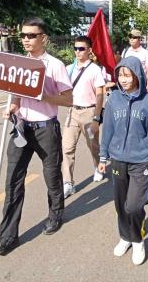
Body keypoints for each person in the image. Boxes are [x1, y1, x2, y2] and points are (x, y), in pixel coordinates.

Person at [0, 17, 73, 255]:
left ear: (43, 37)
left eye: (31, 35)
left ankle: (56, 215)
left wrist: (43, 97)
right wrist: (13, 106)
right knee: (13, 180)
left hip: (46, 128)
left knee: (52, 176)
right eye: (23, 35)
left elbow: (68, 99)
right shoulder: (19, 64)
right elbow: (16, 95)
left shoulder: (55, 65)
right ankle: (7, 237)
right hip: (21, 127)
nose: (26, 39)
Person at [98, 56, 148, 265]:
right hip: (118, 160)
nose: (124, 79)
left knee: (133, 205)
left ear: (137, 75)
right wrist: (103, 157)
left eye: (128, 75)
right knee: (121, 205)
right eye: (120, 75)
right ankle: (125, 237)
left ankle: (138, 240)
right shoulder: (113, 101)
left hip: (141, 161)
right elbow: (108, 130)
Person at [61, 36, 106, 199]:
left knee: (93, 145)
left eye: (81, 48)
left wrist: (96, 118)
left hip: (89, 113)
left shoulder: (95, 70)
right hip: (73, 113)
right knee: (67, 148)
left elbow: (100, 95)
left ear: (89, 50)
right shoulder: (69, 69)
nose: (77, 52)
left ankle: (98, 166)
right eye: (75, 48)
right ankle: (68, 183)